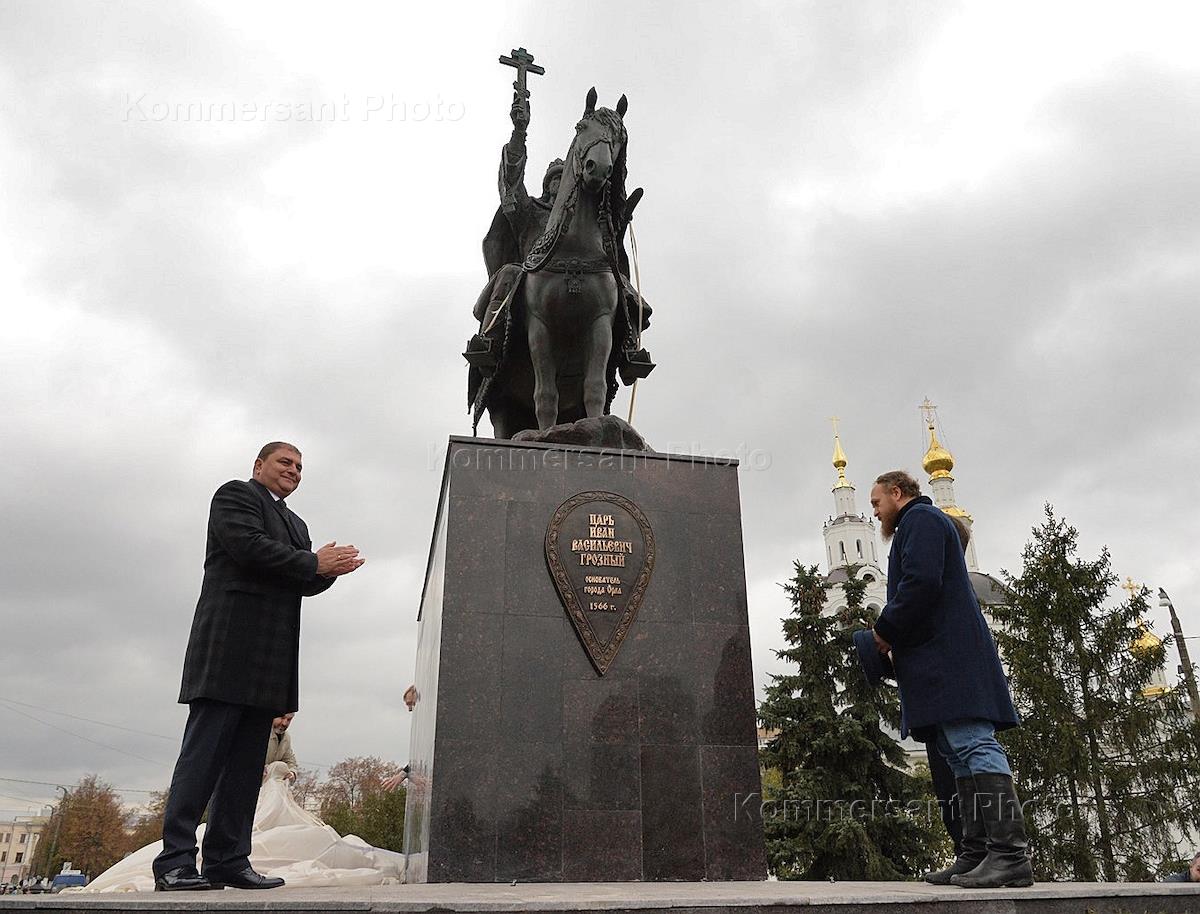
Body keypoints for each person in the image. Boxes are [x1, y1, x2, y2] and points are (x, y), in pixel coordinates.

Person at [152, 442, 365, 892]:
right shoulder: (235, 496)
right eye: (285, 462)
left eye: (300, 467)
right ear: (258, 465)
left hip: (270, 658)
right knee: (203, 758)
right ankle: (174, 863)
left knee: (247, 768)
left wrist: (326, 572)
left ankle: (228, 860)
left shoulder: (295, 522)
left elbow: (300, 581)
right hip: (228, 645)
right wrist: (312, 561)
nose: (293, 470)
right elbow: (248, 548)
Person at [869, 470, 1032, 889]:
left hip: (950, 658)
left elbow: (921, 583)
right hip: (939, 659)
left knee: (975, 744)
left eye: (877, 502)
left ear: (897, 493)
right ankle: (976, 854)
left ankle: (1010, 855)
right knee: (959, 752)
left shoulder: (920, 521)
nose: (875, 511)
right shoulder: (920, 525)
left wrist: (884, 630)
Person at [264, 713, 299, 782]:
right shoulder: (257, 732)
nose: (284, 723)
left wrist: (292, 773)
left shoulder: (286, 737)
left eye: (289, 719)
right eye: (282, 717)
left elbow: (290, 761)